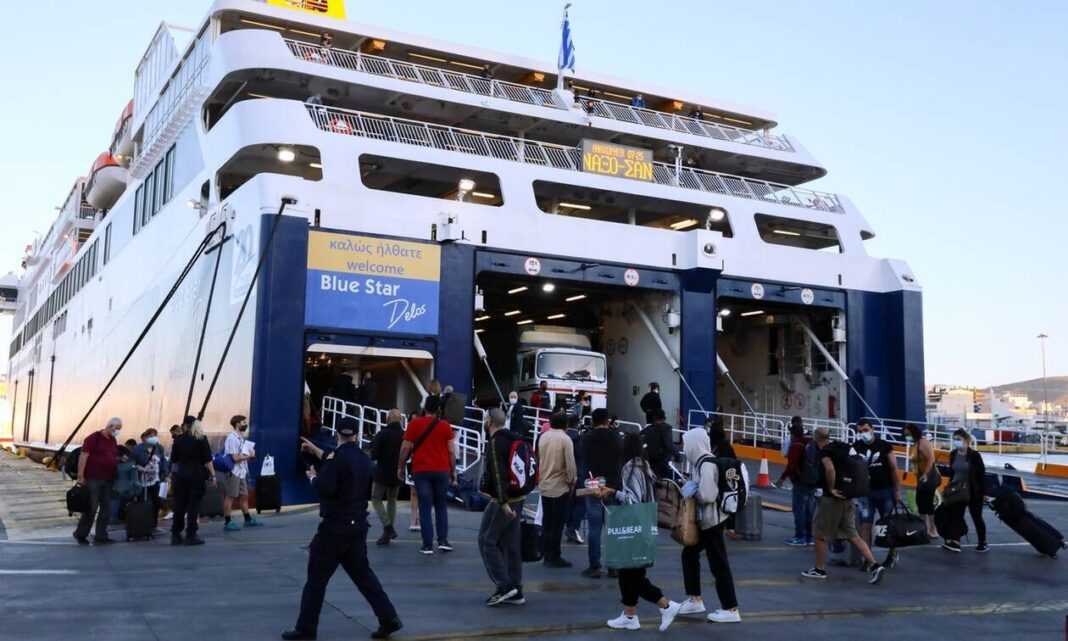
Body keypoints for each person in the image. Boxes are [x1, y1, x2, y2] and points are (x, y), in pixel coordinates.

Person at [282, 417, 403, 640]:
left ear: (337, 434)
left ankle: (306, 629)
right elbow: (338, 462)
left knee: (316, 581)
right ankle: (389, 618)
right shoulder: (363, 459)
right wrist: (315, 450)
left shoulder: (336, 459)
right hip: (357, 526)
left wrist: (313, 478)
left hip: (334, 528)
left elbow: (326, 487)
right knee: (364, 577)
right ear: (356, 435)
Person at [598, 433, 682, 631]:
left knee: (631, 574)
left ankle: (666, 605)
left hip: (633, 526)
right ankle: (630, 615)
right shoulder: (645, 466)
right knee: (632, 572)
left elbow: (632, 500)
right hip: (645, 524)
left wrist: (612, 492)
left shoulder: (630, 468)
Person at [801, 427, 887, 584]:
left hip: (832, 500)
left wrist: (831, 488)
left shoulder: (825, 452)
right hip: (847, 497)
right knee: (853, 535)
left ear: (815, 438)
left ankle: (819, 569)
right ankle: (875, 565)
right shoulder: (842, 448)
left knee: (820, 535)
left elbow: (829, 469)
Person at [677, 428, 741, 623]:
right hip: (708, 521)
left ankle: (730, 609)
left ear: (694, 444)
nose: (685, 448)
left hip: (712, 521)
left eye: (687, 444)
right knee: (689, 554)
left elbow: (707, 495)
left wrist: (692, 491)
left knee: (718, 563)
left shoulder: (706, 464)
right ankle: (695, 599)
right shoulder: (701, 462)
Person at [478, 408, 529, 606]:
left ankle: (505, 586)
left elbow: (498, 474)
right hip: (519, 496)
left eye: (485, 419)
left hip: (503, 500)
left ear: (490, 421)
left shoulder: (495, 442)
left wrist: (502, 501)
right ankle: (516, 589)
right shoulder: (514, 438)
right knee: (511, 544)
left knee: (486, 540)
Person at [397, 396, 456, 555]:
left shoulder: (414, 424)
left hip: (421, 470)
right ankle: (443, 541)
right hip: (442, 470)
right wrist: (453, 471)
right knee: (441, 505)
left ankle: (427, 545)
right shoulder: (445, 426)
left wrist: (400, 466)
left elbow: (405, 448)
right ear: (439, 409)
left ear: (424, 408)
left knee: (424, 506)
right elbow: (451, 451)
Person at [579, 408, 622, 578]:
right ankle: (614, 566)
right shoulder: (617, 437)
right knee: (613, 528)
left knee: (594, 528)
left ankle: (594, 565)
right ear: (607, 421)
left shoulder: (586, 438)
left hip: (593, 485)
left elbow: (582, 462)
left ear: (593, 421)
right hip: (612, 487)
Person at [853, 420, 901, 566]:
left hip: (885, 491)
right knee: (865, 524)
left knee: (888, 525)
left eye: (865, 430)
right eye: (860, 431)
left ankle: (892, 554)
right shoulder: (856, 447)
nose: (863, 434)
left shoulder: (884, 445)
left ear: (872, 429)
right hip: (865, 493)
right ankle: (868, 559)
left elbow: (893, 468)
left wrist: (897, 490)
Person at [74, 417, 122, 545]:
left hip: (108, 479)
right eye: (117, 428)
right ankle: (81, 534)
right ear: (109, 426)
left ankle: (101, 535)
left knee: (106, 508)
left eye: (119, 429)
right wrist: (80, 475)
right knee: (91, 507)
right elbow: (84, 455)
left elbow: (111, 456)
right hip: (93, 478)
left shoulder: (113, 440)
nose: (118, 431)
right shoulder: (93, 438)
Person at [538, 413, 577, 568]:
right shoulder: (565, 439)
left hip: (544, 484)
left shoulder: (543, 437)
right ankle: (555, 555)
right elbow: (570, 464)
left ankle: (546, 553)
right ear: (565, 425)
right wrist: (572, 481)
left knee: (547, 521)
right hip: (560, 486)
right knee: (558, 524)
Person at [169, 418, 216, 546]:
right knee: (193, 506)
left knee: (179, 505)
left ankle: (176, 534)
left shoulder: (178, 440)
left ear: (185, 426)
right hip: (197, 476)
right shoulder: (201, 439)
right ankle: (191, 534)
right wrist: (213, 475)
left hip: (181, 476)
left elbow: (174, 459)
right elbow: (208, 460)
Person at [941, 429, 987, 553]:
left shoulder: (974, 455)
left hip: (973, 490)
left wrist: (983, 492)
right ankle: (955, 541)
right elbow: (952, 473)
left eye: (958, 439)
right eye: (954, 439)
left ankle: (982, 542)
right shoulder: (953, 454)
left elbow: (981, 475)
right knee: (956, 516)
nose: (956, 441)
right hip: (957, 490)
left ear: (966, 440)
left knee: (976, 516)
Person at [776, 417, 815, 546]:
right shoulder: (810, 443)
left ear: (792, 434)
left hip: (800, 481)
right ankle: (809, 537)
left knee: (799, 509)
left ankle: (800, 537)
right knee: (809, 510)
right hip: (812, 481)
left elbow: (791, 466)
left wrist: (782, 479)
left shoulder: (796, 446)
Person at [220, 415, 261, 531]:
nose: (245, 424)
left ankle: (247, 519)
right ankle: (227, 522)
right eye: (243, 422)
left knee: (244, 496)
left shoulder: (241, 438)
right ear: (237, 424)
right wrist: (249, 456)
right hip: (234, 471)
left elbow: (242, 455)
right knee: (230, 496)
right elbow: (235, 458)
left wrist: (251, 455)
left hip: (242, 471)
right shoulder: (232, 438)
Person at [370, 409, 404, 545]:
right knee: (392, 500)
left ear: (387, 419)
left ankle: (388, 527)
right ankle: (387, 534)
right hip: (398, 472)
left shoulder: (382, 434)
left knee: (376, 499)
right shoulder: (404, 435)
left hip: (382, 473)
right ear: (400, 420)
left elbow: (374, 455)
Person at [905, 423, 940, 538]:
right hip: (920, 478)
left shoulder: (923, 442)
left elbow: (931, 459)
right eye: (905, 434)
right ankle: (924, 528)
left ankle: (933, 529)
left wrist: (925, 474)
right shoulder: (914, 444)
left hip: (928, 477)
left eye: (908, 434)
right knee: (920, 503)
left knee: (928, 504)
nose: (907, 436)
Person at [132, 428, 169, 528]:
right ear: (146, 437)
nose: (154, 438)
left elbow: (163, 461)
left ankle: (153, 524)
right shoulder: (138, 449)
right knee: (143, 501)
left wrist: (165, 474)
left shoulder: (159, 448)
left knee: (156, 501)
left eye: (155, 436)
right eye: (151, 436)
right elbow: (132, 462)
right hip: (142, 480)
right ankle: (143, 523)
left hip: (156, 479)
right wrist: (138, 467)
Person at [564, 416, 587, 545]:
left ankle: (569, 527)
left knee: (569, 503)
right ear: (578, 424)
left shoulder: (564, 437)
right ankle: (573, 528)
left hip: (564, 474)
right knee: (581, 503)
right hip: (579, 474)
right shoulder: (579, 439)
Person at [641, 408, 675, 480]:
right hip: (662, 463)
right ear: (664, 418)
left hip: (649, 462)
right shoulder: (666, 428)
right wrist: (677, 456)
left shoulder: (647, 429)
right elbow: (669, 444)